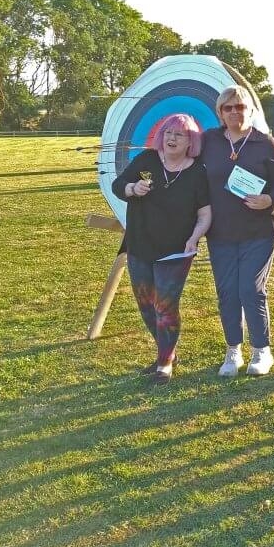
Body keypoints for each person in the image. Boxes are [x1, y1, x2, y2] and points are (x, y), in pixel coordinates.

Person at [111, 113, 211, 384]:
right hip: (140, 245)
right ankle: (169, 351)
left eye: (179, 134)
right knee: (146, 306)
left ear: (190, 140)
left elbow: (205, 214)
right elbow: (118, 185)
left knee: (165, 306)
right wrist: (132, 188)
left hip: (176, 251)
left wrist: (194, 239)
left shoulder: (198, 172)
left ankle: (164, 363)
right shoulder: (146, 160)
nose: (171, 138)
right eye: (168, 133)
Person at [200, 86, 274, 377]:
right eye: (229, 108)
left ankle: (262, 350)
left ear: (250, 109)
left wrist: (269, 199)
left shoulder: (265, 143)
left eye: (240, 106)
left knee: (250, 289)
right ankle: (233, 350)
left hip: (258, 231)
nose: (235, 112)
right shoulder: (208, 141)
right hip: (220, 231)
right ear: (220, 113)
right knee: (227, 293)